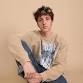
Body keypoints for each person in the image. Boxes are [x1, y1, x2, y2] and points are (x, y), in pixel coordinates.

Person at [8, 6, 68, 83]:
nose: (44, 22)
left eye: (47, 19)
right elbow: (12, 39)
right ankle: (32, 77)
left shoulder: (61, 41)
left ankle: (36, 80)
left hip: (50, 73)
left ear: (51, 21)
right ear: (37, 23)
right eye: (40, 20)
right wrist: (26, 63)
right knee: (20, 44)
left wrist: (41, 77)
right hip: (34, 69)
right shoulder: (32, 36)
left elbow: (60, 66)